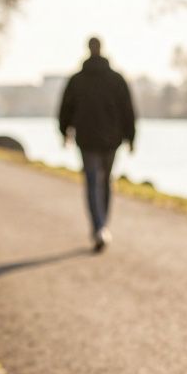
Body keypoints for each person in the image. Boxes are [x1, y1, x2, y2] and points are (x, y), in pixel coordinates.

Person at [58, 37, 137, 253]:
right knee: (105, 182)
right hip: (111, 140)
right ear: (101, 49)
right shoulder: (116, 79)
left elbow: (65, 108)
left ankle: (98, 227)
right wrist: (131, 137)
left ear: (88, 49)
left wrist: (64, 132)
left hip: (87, 139)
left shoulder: (77, 79)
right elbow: (128, 110)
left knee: (93, 182)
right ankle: (102, 226)